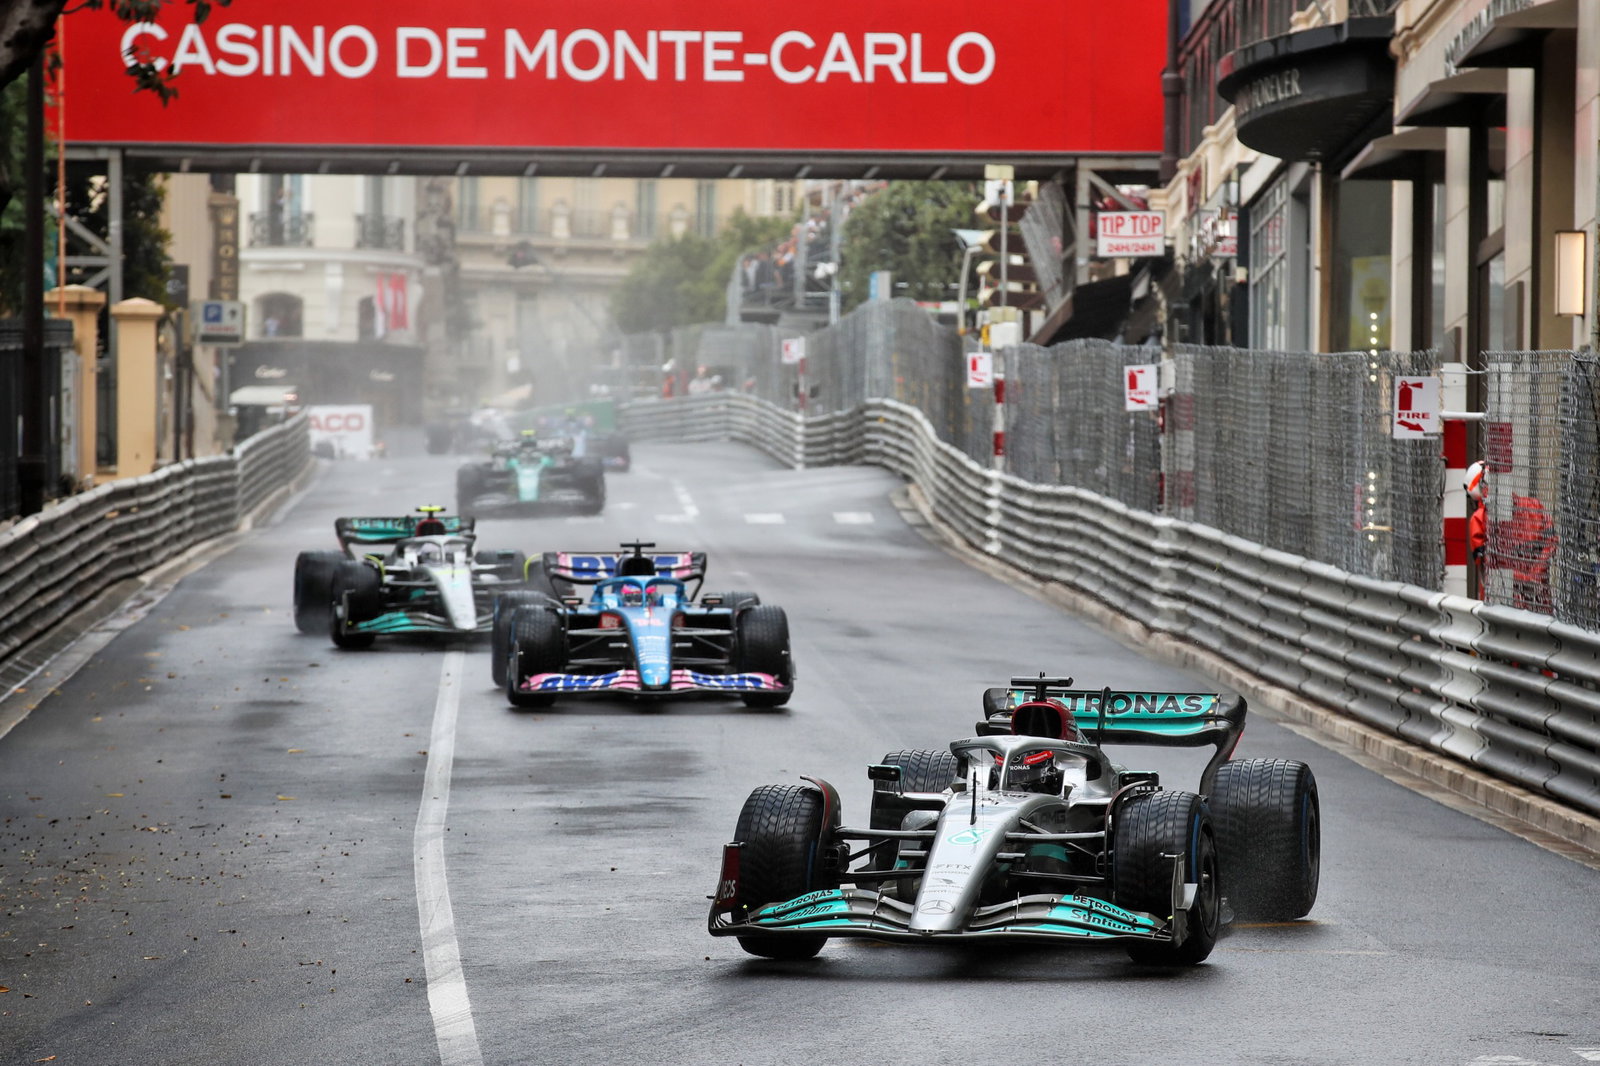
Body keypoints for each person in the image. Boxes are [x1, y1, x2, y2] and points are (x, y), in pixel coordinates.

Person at [1465, 460, 1487, 568]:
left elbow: (1479, 558)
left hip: (1502, 578)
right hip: (1538, 578)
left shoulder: (1478, 518)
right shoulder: (1530, 504)